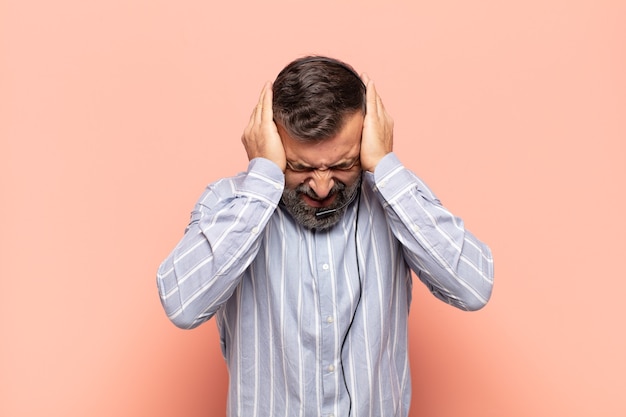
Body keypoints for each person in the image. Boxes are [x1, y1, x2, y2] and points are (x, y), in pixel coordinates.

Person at [157, 56, 494, 417]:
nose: (321, 187)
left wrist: (385, 167)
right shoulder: (229, 203)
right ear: (269, 141)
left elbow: (473, 289)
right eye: (299, 167)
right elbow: (182, 305)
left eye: (342, 165)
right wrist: (263, 179)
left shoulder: (398, 200)